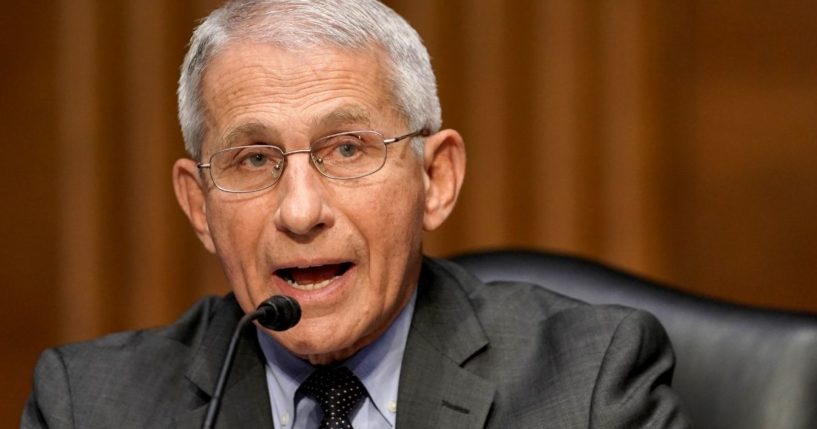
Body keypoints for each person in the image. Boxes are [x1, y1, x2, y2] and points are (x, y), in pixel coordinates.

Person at [22, 0, 689, 427]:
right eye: (253, 160)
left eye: (346, 148)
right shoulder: (89, 403)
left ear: (435, 178)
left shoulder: (589, 381)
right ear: (199, 204)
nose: (301, 210)